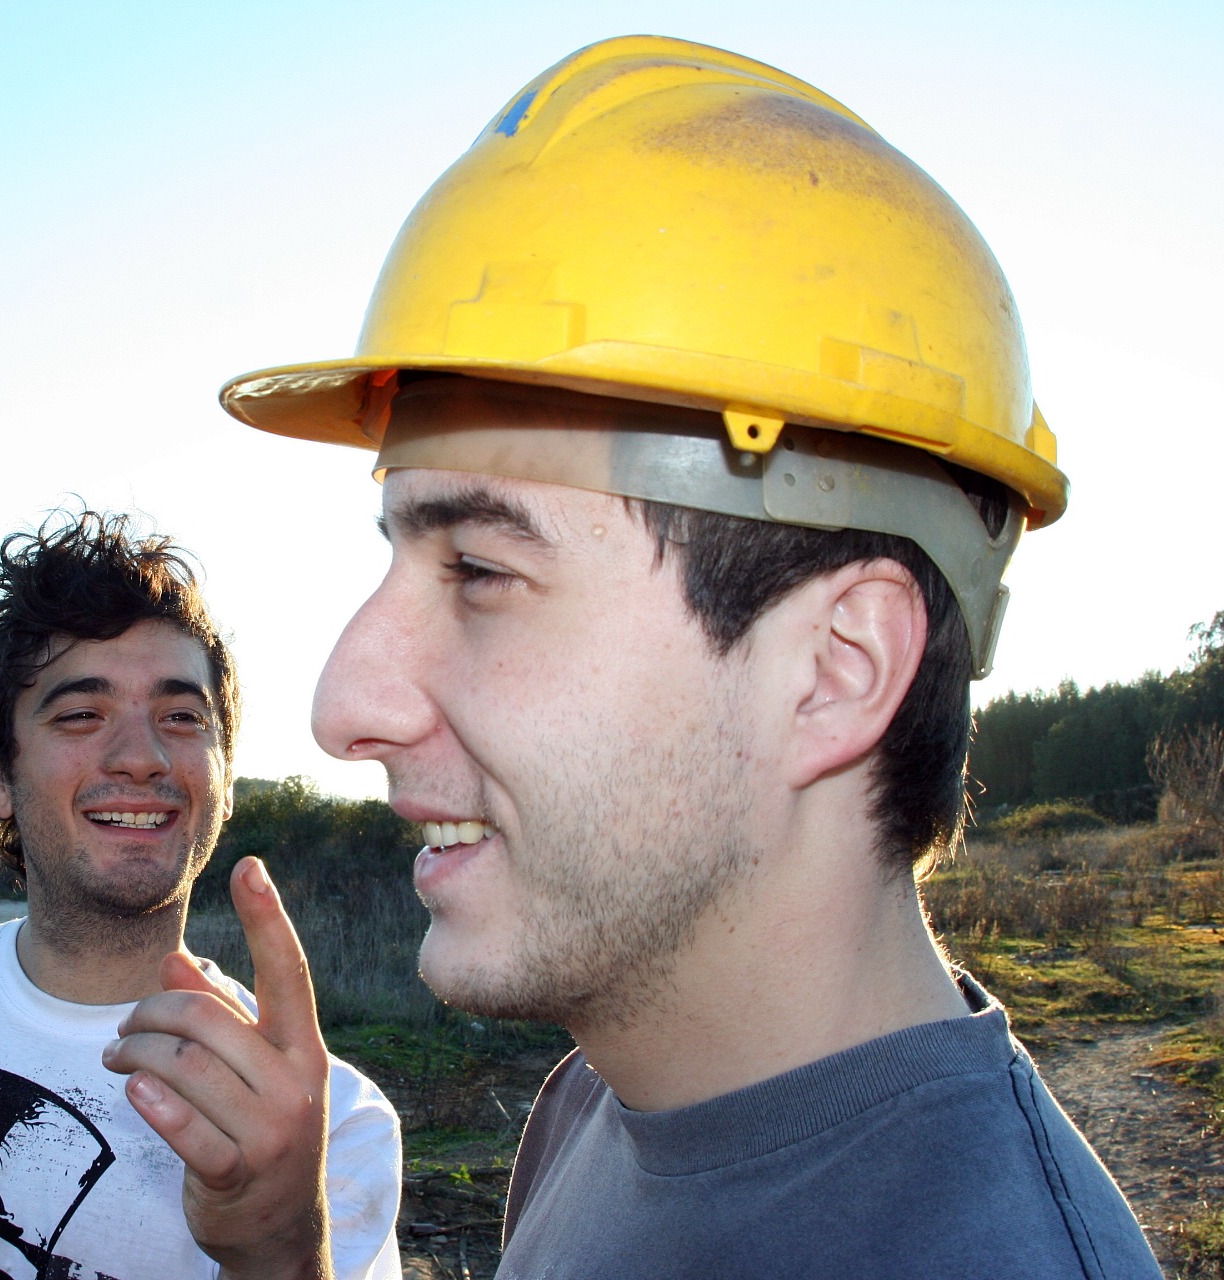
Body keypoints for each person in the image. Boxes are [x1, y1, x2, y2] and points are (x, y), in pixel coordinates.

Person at [128, 34, 1161, 1280]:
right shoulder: (598, 1102)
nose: (344, 705)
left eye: (481, 571)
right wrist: (281, 1254)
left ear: (835, 665)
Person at [0, 510, 402, 1280]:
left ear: (225, 780)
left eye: (181, 716)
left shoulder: (329, 1124)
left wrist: (281, 1249)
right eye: (82, 714)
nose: (142, 757)